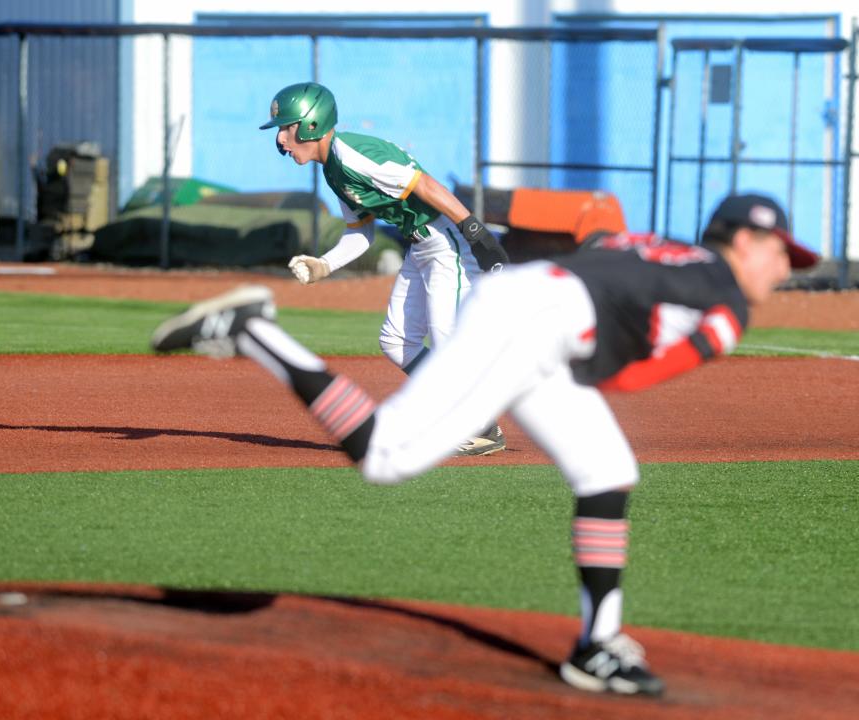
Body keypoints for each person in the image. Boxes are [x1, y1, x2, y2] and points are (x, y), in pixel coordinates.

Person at [150, 192, 818, 697]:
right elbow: (641, 375)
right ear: (744, 241)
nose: (787, 268)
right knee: (384, 455)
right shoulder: (727, 301)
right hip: (537, 322)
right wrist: (586, 363)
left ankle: (598, 644)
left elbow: (600, 254)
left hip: (536, 307)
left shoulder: (672, 249)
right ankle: (254, 332)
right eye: (781, 251)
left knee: (607, 469)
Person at [259, 81, 509, 456]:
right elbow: (361, 233)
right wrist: (325, 265)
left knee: (446, 339)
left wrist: (474, 230)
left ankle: (482, 425)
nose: (280, 139)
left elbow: (423, 184)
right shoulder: (334, 170)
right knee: (396, 341)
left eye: (287, 127)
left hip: (447, 243)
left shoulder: (354, 155)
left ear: (311, 124)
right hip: (421, 246)